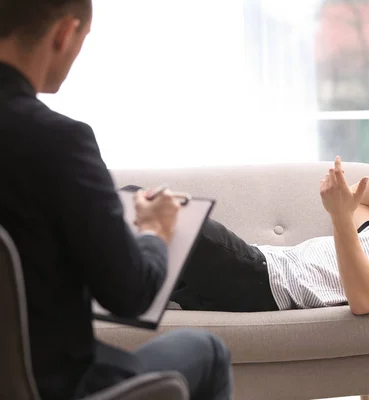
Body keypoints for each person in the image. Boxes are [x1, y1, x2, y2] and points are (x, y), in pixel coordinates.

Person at [0, 1, 231, 399]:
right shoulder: (59, 142)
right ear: (63, 34)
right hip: (54, 384)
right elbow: (129, 293)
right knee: (207, 350)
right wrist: (154, 230)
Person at [170, 143, 369, 315]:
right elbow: (358, 201)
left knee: (163, 211)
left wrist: (340, 217)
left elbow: (368, 301)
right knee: (133, 250)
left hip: (262, 280)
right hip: (252, 271)